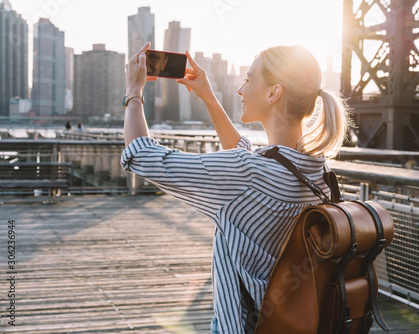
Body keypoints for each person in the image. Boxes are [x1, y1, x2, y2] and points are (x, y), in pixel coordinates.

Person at [122, 42, 350, 334]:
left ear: (273, 93)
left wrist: (133, 93)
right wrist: (208, 97)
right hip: (291, 320)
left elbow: (140, 154)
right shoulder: (318, 171)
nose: (240, 89)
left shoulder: (250, 173)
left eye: (248, 79)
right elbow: (246, 159)